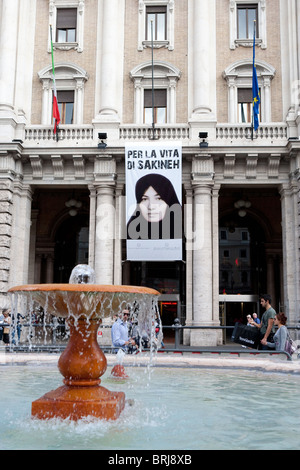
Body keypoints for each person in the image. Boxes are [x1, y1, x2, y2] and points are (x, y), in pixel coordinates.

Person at [127, 173, 182, 240]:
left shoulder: (184, 231)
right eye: (145, 199)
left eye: (158, 198)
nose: (151, 206)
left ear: (169, 201)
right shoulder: (130, 234)